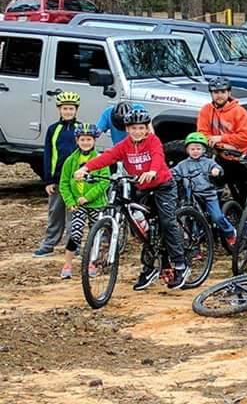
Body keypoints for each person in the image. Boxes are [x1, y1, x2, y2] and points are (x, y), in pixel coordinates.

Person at [75, 108, 190, 290]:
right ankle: (150, 266)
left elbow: (158, 157)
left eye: (141, 128)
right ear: (127, 129)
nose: (137, 132)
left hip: (162, 186)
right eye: (133, 128)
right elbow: (108, 157)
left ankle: (180, 264)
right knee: (142, 228)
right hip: (141, 187)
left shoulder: (153, 141)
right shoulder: (124, 145)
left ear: (146, 129)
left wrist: (152, 171)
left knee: (167, 222)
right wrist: (86, 168)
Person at [33, 90, 81, 258]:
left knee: (74, 214)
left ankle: (73, 245)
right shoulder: (53, 130)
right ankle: (48, 244)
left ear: (76, 110)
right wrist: (48, 180)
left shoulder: (80, 129)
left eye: (71, 109)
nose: (68, 111)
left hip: (75, 181)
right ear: (59, 110)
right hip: (58, 179)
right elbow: (48, 155)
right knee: (54, 212)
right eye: (65, 108)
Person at [57, 123, 109, 279]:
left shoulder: (100, 160)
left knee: (96, 234)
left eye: (89, 139)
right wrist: (70, 201)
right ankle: (67, 265)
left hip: (96, 204)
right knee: (76, 233)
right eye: (83, 139)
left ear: (94, 141)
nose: (86, 142)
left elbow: (104, 182)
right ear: (77, 140)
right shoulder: (70, 161)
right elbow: (64, 183)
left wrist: (88, 197)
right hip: (77, 205)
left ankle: (91, 263)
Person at [196, 77, 247, 204]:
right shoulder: (206, 110)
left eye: (223, 92)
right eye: (216, 92)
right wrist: (222, 144)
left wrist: (220, 138)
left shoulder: (240, 112)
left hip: (241, 158)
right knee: (211, 185)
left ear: (229, 93)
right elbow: (203, 134)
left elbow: (246, 138)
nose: (219, 95)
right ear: (211, 94)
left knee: (244, 195)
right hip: (220, 156)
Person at [173, 132, 237, 248]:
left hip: (208, 195)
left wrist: (216, 171)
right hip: (191, 196)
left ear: (203, 150)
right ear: (187, 150)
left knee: (217, 216)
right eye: (192, 149)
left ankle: (230, 232)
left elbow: (217, 168)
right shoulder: (182, 164)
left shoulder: (208, 162)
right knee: (191, 220)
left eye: (198, 148)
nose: (195, 151)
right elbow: (173, 172)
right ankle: (195, 246)